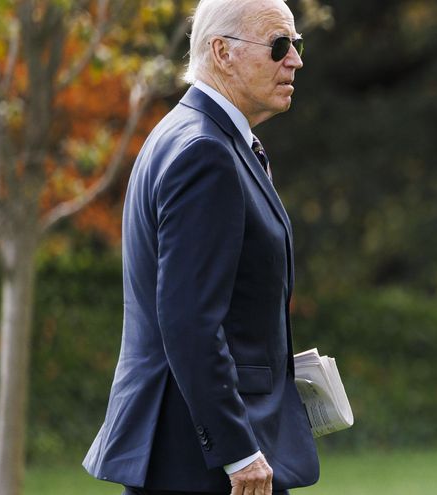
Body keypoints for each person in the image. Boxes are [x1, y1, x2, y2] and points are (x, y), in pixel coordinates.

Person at [82, 0, 318, 494]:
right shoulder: (204, 152)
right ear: (222, 52)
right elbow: (189, 319)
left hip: (196, 453)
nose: (294, 59)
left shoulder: (192, 134)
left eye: (295, 45)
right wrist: (237, 451)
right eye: (278, 46)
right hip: (203, 464)